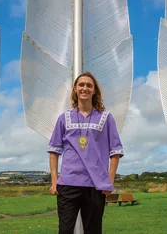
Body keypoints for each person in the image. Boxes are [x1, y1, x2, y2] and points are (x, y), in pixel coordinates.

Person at [47, 71, 124, 234]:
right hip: (68, 184)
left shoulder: (106, 118)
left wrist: (109, 179)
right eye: (81, 85)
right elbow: (54, 150)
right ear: (75, 89)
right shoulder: (64, 118)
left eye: (89, 85)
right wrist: (54, 180)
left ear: (94, 90)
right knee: (64, 231)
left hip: (96, 186)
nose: (85, 88)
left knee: (93, 231)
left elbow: (115, 151)